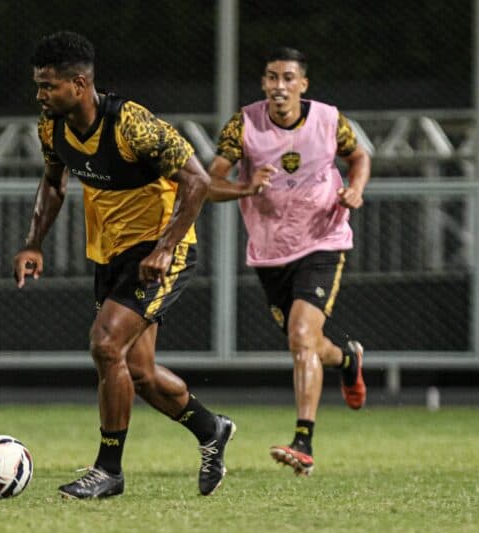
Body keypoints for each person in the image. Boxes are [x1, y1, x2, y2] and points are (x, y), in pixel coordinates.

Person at [13, 31, 235, 499]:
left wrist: (166, 247)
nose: (40, 95)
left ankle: (108, 471)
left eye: (48, 86)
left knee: (105, 343)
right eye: (37, 86)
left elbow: (196, 182)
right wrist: (33, 243)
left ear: (79, 84)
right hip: (111, 252)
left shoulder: (132, 125)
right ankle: (212, 429)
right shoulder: (51, 126)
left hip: (157, 251)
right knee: (139, 372)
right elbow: (54, 183)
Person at [205, 47, 369, 476]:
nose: (280, 86)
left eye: (288, 78)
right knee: (308, 344)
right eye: (272, 78)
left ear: (303, 84)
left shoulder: (329, 120)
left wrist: (355, 188)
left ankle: (304, 442)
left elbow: (359, 157)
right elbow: (208, 183)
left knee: (300, 334)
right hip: (270, 251)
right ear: (263, 83)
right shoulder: (243, 124)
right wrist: (246, 188)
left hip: (323, 241)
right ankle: (348, 360)